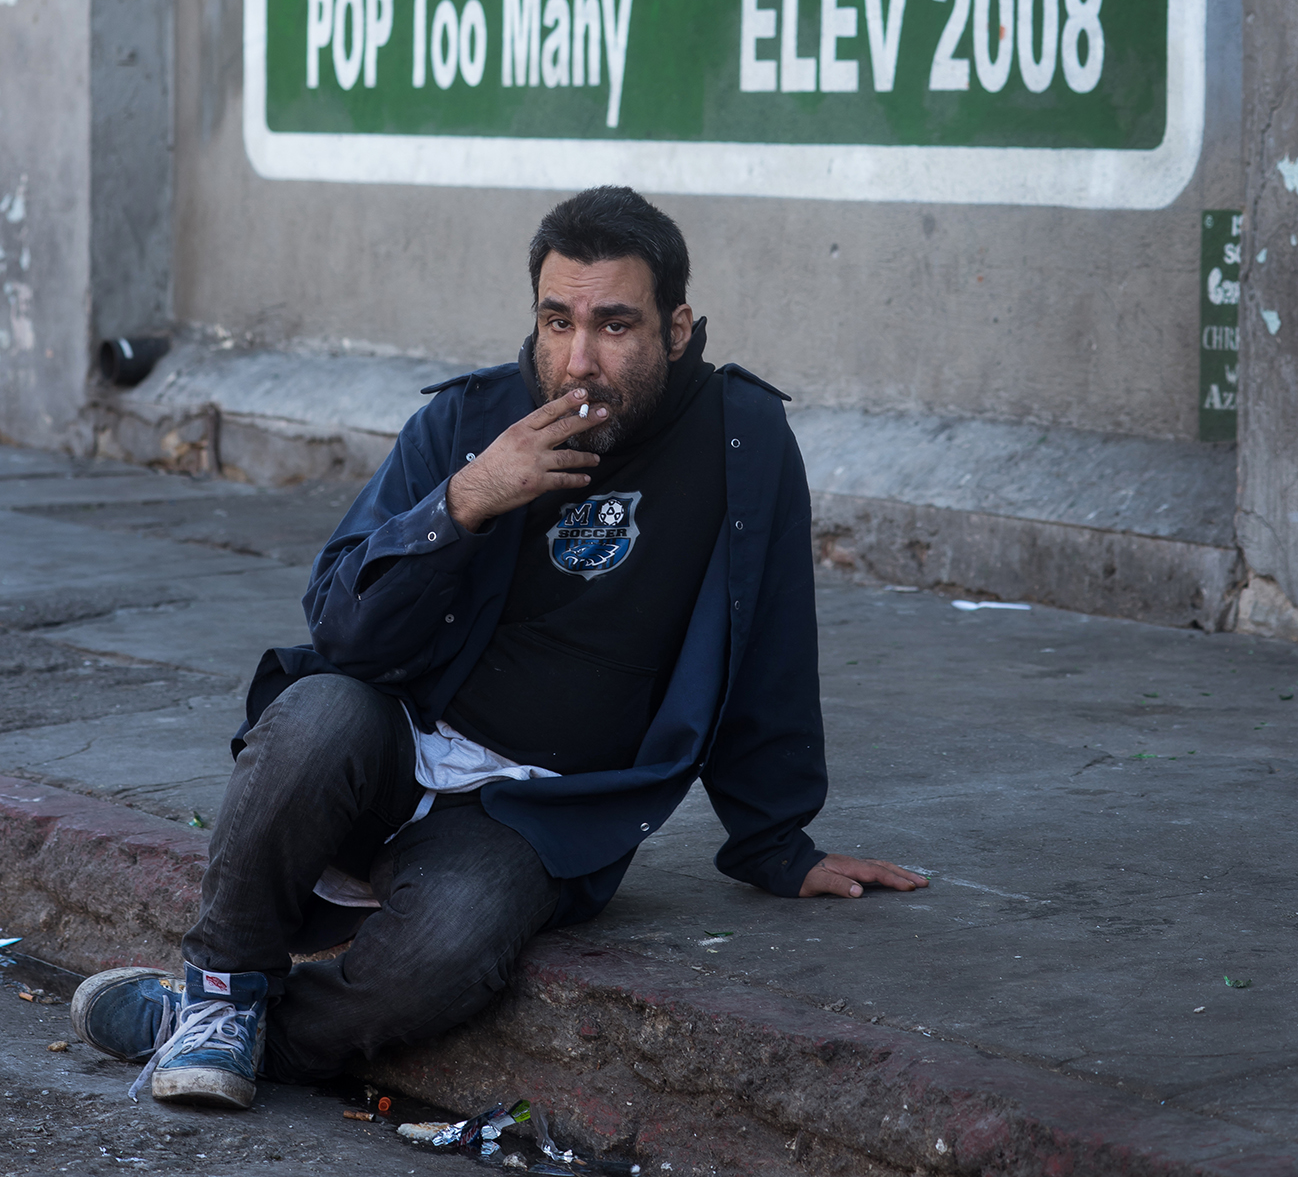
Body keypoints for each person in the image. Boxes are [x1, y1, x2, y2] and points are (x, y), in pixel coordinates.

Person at [71, 186, 926, 1107]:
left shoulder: (742, 439)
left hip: (537, 811)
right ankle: (224, 987)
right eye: (556, 322)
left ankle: (207, 1025)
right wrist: (467, 500)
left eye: (615, 325)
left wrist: (776, 842)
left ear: (679, 329)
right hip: (391, 741)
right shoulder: (468, 421)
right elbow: (342, 624)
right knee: (313, 714)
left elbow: (770, 639)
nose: (579, 360)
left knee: (445, 955)